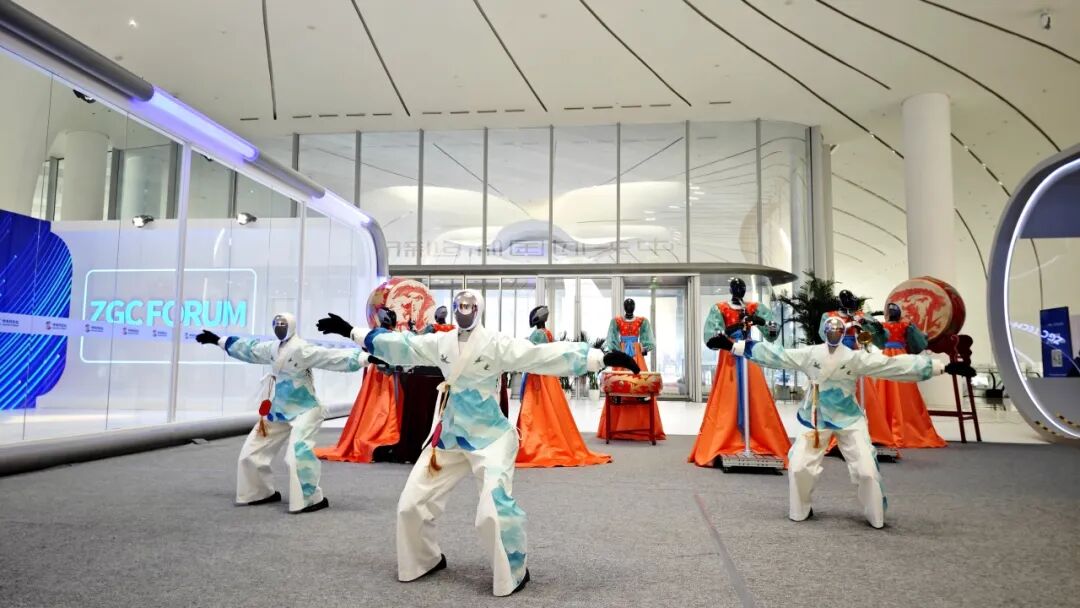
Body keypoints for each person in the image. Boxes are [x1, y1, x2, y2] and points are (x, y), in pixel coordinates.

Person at [316, 290, 637, 596]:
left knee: (492, 513)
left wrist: (599, 357)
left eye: (470, 306)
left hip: (490, 439)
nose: (464, 311)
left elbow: (540, 355)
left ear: (479, 309)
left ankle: (513, 570)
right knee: (411, 505)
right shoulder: (441, 342)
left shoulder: (496, 344)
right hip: (448, 437)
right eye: (460, 305)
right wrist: (352, 331)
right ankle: (423, 559)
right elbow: (402, 345)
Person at [710, 316, 975, 528]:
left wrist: (941, 367)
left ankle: (875, 513)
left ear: (843, 332)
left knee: (867, 470)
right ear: (825, 332)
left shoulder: (854, 357)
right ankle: (801, 509)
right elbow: (777, 354)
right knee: (799, 467)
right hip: (815, 417)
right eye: (830, 329)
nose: (834, 333)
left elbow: (893, 365)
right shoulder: (811, 354)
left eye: (838, 330)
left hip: (849, 417)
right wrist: (733, 346)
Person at [195, 313, 366, 514]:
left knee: (297, 454)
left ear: (291, 326)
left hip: (305, 409)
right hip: (278, 409)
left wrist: (365, 358)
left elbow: (330, 356)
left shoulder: (302, 349)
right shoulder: (272, 348)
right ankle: (257, 492)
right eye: (276, 324)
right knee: (251, 452)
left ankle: (308, 498)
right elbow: (250, 349)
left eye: (283, 324)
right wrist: (219, 341)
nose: (279, 328)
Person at [690, 277, 791, 466]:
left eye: (742, 287)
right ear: (730, 290)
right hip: (730, 356)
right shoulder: (720, 308)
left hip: (750, 355)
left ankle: (756, 437)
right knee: (728, 397)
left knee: (756, 395)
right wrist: (732, 330)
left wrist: (760, 320)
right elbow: (712, 337)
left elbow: (772, 331)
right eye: (736, 287)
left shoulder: (754, 308)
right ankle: (727, 438)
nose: (739, 290)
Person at [516, 305, 612, 468]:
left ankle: (535, 445)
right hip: (548, 376)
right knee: (551, 408)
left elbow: (532, 354)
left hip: (538, 376)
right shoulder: (547, 332)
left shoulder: (538, 334)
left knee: (537, 410)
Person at [315, 309, 402, 463]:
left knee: (380, 408)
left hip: (385, 376)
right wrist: (349, 331)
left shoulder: (389, 335)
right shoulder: (387, 335)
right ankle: (380, 438)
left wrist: (349, 331)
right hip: (381, 376)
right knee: (378, 408)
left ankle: (383, 438)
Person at [824, 290, 896, 450]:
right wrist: (847, 325)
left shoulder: (861, 315)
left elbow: (881, 338)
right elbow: (825, 336)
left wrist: (873, 326)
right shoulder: (829, 316)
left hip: (856, 359)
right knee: (836, 397)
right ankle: (835, 438)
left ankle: (872, 434)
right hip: (836, 360)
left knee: (866, 397)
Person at [871, 303, 946, 448]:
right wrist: (924, 336)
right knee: (905, 392)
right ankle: (907, 427)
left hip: (887, 357)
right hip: (901, 356)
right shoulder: (906, 326)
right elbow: (919, 342)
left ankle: (884, 430)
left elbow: (879, 342)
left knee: (885, 390)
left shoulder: (883, 326)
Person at [598, 297, 665, 442]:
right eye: (627, 305)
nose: (629, 307)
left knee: (640, 384)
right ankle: (617, 427)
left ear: (634, 307)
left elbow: (649, 340)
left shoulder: (642, 321)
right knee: (618, 384)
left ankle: (640, 426)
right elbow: (611, 338)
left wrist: (643, 348)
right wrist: (617, 349)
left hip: (636, 353)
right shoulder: (616, 321)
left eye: (631, 305)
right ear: (624, 307)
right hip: (622, 353)